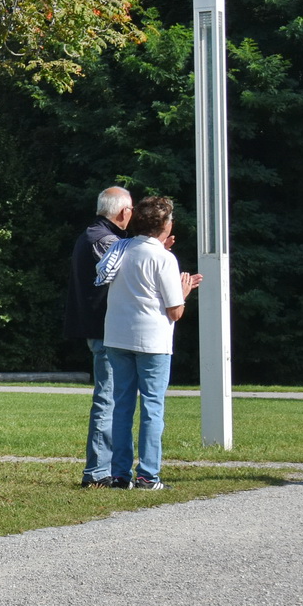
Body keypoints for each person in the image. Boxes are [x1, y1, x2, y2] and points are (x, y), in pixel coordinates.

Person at [101, 196, 201, 490]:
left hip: (117, 336)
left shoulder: (121, 249)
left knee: (121, 407)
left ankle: (120, 474)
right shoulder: (165, 258)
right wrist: (183, 291)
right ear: (164, 225)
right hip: (153, 341)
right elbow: (175, 311)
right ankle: (148, 475)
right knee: (152, 408)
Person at [65, 187, 133, 487]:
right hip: (106, 331)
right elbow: (129, 276)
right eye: (131, 208)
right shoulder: (104, 240)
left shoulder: (95, 235)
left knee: (110, 398)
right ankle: (96, 472)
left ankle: (105, 469)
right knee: (107, 400)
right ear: (122, 212)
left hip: (102, 329)